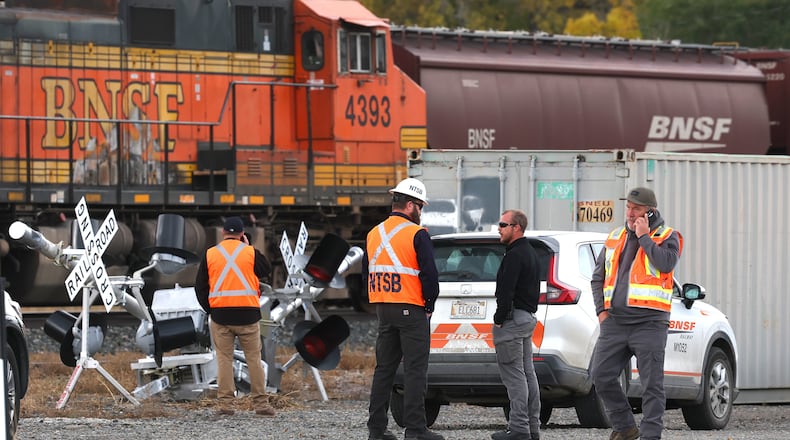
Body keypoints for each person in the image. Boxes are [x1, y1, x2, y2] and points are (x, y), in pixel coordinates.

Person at [591, 187, 683, 440]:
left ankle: (650, 435)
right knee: (601, 376)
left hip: (650, 323)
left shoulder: (667, 236)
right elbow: (598, 278)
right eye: (629, 208)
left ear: (650, 212)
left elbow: (665, 264)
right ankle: (625, 427)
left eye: (637, 209)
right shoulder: (615, 236)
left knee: (651, 384)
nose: (631, 213)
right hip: (615, 323)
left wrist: (644, 237)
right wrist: (602, 312)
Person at [365, 178, 444, 440]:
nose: (421, 212)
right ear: (410, 205)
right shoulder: (417, 234)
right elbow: (430, 275)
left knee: (384, 370)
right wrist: (429, 304)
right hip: (411, 308)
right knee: (415, 370)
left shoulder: (373, 233)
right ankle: (415, 429)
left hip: (383, 308)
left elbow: (367, 271)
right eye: (420, 206)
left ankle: (376, 429)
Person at [194, 216, 276, 417]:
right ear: (241, 235)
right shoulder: (249, 253)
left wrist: (211, 309)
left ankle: (226, 406)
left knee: (224, 359)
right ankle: (261, 405)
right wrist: (250, 248)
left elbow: (200, 287)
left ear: (223, 233)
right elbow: (266, 270)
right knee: (254, 359)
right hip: (248, 315)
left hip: (221, 316)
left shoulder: (211, 254)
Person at [490, 209, 541, 440]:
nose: (499, 229)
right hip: (527, 318)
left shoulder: (514, 255)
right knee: (527, 373)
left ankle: (519, 428)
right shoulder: (530, 252)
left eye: (503, 224)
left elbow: (506, 290)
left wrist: (499, 318)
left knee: (514, 375)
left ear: (516, 227)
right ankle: (532, 428)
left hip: (513, 320)